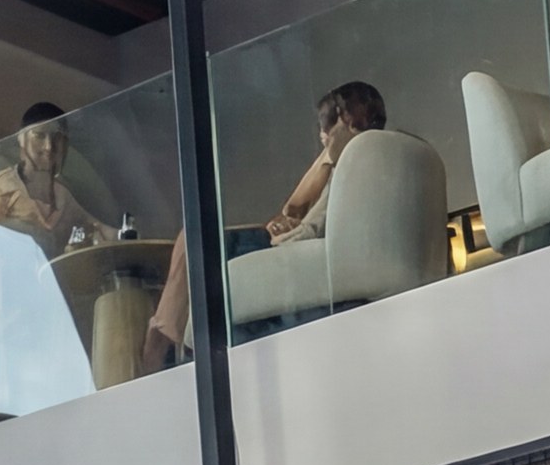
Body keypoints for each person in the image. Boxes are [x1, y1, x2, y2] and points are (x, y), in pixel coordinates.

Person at [144, 80, 387, 369]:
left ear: (347, 120)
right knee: (192, 245)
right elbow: (302, 213)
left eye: (326, 124)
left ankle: (165, 342)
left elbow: (315, 228)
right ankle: (174, 337)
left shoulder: (352, 161)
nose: (321, 135)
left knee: (193, 240)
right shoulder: (362, 157)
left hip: (291, 249)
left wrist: (280, 237)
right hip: (296, 242)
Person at [0, 102, 116, 253]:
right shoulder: (2, 187)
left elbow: (98, 227)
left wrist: (127, 233)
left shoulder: (62, 195)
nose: (49, 146)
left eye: (57, 137)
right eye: (39, 136)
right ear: (22, 139)